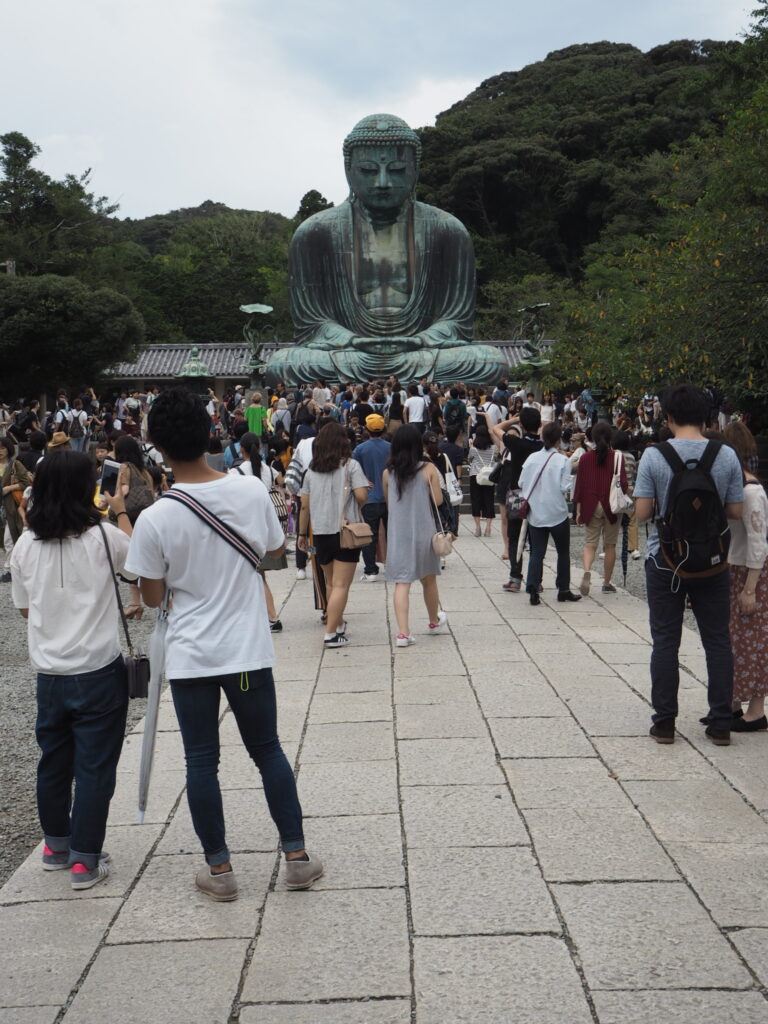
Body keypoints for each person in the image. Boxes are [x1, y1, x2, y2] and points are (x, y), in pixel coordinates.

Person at [125, 387, 321, 898]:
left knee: (200, 760)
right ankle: (296, 857)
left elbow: (150, 596)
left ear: (158, 447)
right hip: (245, 649)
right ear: (211, 433)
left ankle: (220, 870)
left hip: (192, 654)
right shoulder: (250, 491)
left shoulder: (155, 518)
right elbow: (275, 549)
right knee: (267, 750)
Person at [10, 450, 132, 889]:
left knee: (53, 763)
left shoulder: (25, 544)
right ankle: (84, 859)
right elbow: (138, 568)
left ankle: (56, 846)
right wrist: (118, 508)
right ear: (88, 489)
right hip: (98, 667)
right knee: (96, 766)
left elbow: (24, 611)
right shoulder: (104, 538)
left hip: (49, 673)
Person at [634, 384, 744, 746]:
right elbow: (735, 511)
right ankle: (721, 723)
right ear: (706, 416)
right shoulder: (726, 455)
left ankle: (665, 722)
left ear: (668, 417)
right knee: (717, 641)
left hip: (665, 560)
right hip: (712, 561)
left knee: (665, 641)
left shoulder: (654, 456)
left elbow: (643, 513)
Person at [297, 422, 369, 648]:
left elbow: (304, 506)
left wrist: (301, 533)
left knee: (330, 582)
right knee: (341, 585)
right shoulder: (351, 466)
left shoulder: (310, 471)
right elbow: (361, 497)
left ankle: (336, 623)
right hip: (345, 532)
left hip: (320, 532)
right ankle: (331, 635)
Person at [383, 424, 448, 646]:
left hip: (398, 534)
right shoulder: (427, 469)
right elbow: (438, 501)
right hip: (423, 532)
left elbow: (388, 502)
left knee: (402, 583)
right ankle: (433, 621)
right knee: (429, 579)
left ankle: (403, 633)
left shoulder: (387, 473)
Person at [723, 421, 768, 732]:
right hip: (737, 570)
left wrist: (750, 588)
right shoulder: (740, 487)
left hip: (750, 573)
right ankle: (734, 703)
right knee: (736, 641)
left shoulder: (752, 493)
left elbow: (758, 541)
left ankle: (756, 709)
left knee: (753, 641)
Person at [518, 423, 581, 605]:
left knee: (537, 552)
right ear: (558, 440)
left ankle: (533, 588)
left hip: (536, 512)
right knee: (563, 552)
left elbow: (522, 482)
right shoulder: (562, 461)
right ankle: (563, 589)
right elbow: (564, 487)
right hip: (557, 512)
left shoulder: (531, 458)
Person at [490, 407, 543, 592]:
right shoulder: (543, 445)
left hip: (517, 495)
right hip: (538, 495)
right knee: (537, 539)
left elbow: (496, 428)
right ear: (539, 424)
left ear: (522, 425)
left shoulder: (516, 443)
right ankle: (537, 580)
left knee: (514, 537)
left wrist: (513, 420)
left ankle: (515, 578)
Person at [573, 421, 627, 595]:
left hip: (590, 504)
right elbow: (624, 484)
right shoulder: (618, 457)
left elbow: (579, 486)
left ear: (592, 438)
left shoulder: (585, 458)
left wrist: (579, 510)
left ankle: (587, 571)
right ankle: (606, 582)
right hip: (611, 505)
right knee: (610, 545)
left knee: (590, 544)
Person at [113, 436, 155, 619]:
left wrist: (111, 498)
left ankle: (160, 604)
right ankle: (135, 603)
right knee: (140, 558)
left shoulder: (124, 467)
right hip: (145, 517)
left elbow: (124, 490)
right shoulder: (142, 470)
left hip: (130, 517)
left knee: (133, 560)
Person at [352, 414, 391, 581]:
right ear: (383, 429)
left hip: (368, 498)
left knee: (370, 535)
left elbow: (354, 473)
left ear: (367, 429)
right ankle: (393, 565)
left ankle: (370, 569)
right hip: (389, 498)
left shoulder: (360, 450)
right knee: (392, 534)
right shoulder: (391, 447)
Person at [1, 437, 32, 582]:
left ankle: (9, 569)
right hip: (1, 508)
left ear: (9, 448)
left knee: (10, 538)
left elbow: (26, 483)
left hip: (11, 507)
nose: (0, 451)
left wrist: (9, 488)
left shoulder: (15, 464)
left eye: (2, 447)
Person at [467, 424, 496, 536]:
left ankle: (478, 528)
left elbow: (469, 459)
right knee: (489, 500)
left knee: (476, 500)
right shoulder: (493, 448)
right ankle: (488, 528)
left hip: (475, 475)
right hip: (489, 475)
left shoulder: (473, 448)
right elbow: (496, 459)